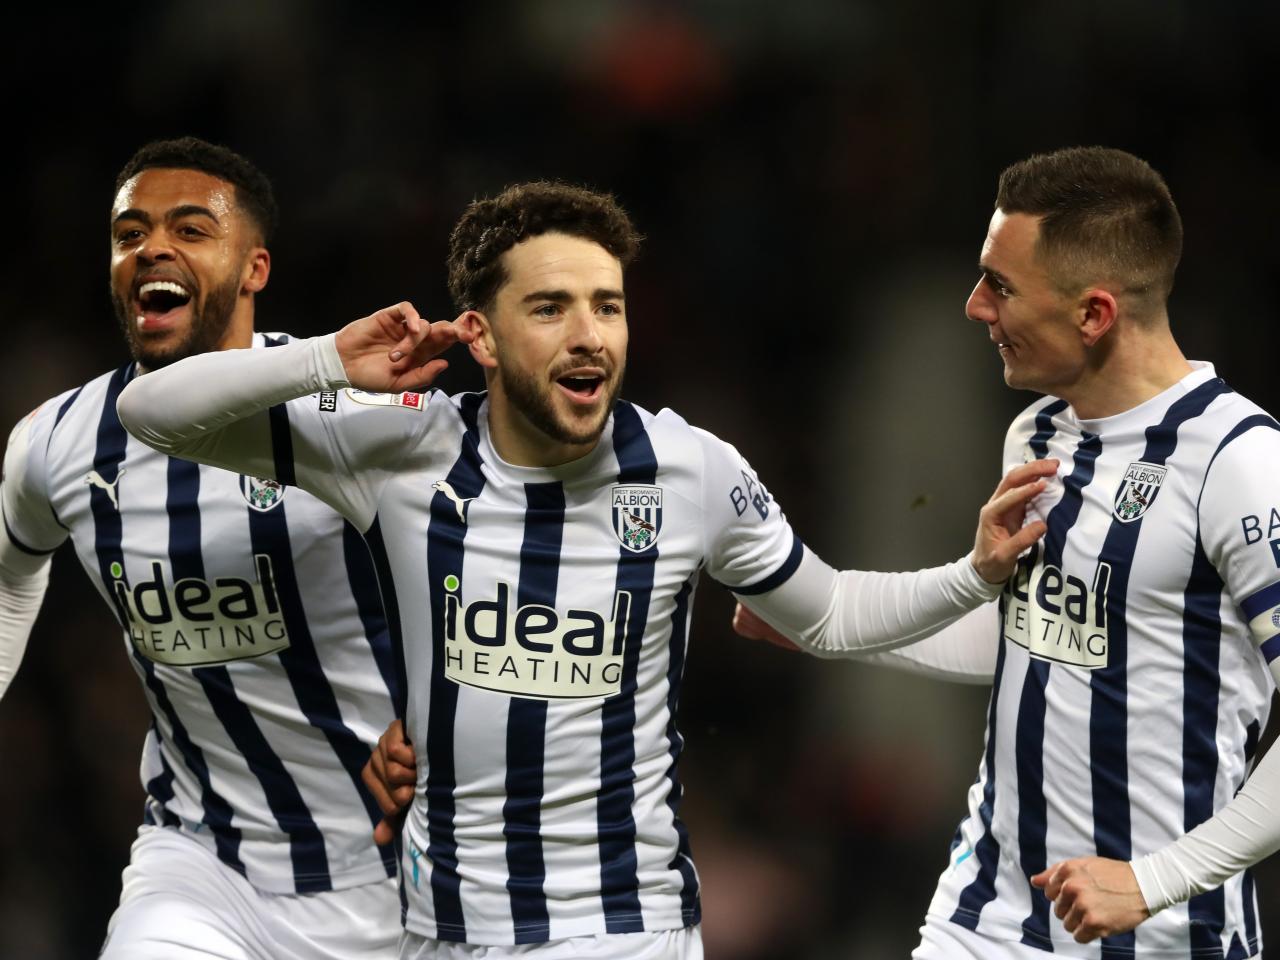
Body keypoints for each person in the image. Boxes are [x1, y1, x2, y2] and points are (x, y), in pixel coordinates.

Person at [114, 180, 1054, 959]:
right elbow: (156, 412)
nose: (590, 335)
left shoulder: (689, 472)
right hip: (440, 935)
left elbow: (833, 611)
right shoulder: (401, 450)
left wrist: (971, 573)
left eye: (607, 305)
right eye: (550, 308)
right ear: (478, 336)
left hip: (621, 931)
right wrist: (326, 359)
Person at [737, 146, 1280, 958]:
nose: (973, 307)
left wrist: (1154, 878)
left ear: (1094, 314)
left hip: (1165, 932)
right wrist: (843, 629)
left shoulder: (1238, 463)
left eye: (1000, 285)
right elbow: (1038, 640)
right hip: (986, 915)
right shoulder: (1038, 433)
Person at [0, 137, 403, 959]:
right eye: (129, 233)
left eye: (190, 230)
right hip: (202, 867)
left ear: (254, 268)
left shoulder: (350, 409)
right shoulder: (56, 445)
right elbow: (10, 582)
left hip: (402, 873)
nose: (152, 248)